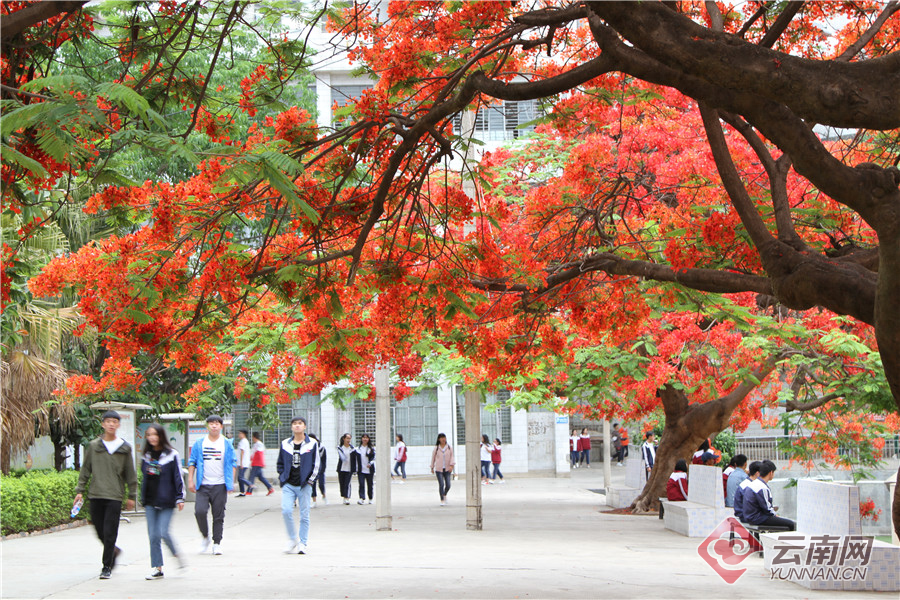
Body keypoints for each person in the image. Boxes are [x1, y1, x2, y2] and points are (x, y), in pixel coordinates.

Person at [74, 410, 137, 580]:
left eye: (114, 421)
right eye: (108, 421)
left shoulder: (124, 448)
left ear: (118, 425)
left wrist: (132, 495)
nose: (111, 424)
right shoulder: (95, 446)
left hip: (115, 496)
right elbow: (86, 469)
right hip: (95, 494)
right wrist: (79, 491)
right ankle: (114, 550)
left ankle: (106, 565)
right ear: (102, 424)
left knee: (110, 532)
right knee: (99, 530)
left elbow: (130, 474)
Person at [140, 423, 185, 580]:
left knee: (163, 532)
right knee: (153, 535)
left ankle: (176, 554)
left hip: (167, 500)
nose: (152, 437)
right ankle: (157, 568)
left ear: (161, 436)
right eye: (149, 435)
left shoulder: (172, 454)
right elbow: (144, 478)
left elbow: (178, 476)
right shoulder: (146, 456)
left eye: (155, 434)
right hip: (150, 501)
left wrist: (180, 497)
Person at [187, 414, 236, 555]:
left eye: (217, 423)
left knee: (218, 515)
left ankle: (217, 543)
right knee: (200, 512)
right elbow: (192, 462)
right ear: (207, 425)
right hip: (203, 484)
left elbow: (233, 463)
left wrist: (230, 482)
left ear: (221, 426)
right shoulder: (199, 443)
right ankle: (205, 537)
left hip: (220, 484)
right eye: (211, 423)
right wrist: (191, 479)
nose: (214, 425)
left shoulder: (226, 443)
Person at [277, 416, 321, 554]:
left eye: (300, 423)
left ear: (305, 426)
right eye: (294, 424)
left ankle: (303, 543)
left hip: (304, 485)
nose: (297, 426)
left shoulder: (312, 443)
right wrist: (282, 478)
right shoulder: (285, 444)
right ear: (291, 427)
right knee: (286, 510)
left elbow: (317, 464)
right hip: (289, 484)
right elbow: (280, 463)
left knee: (304, 515)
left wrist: (310, 481)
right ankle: (292, 540)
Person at [741, 460, 795, 530]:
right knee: (790, 524)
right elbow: (767, 508)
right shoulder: (762, 487)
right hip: (757, 518)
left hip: (750, 516)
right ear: (771, 472)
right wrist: (775, 515)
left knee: (779, 520)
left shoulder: (754, 483)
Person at [430, 433, 455, 505]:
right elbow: (433, 458)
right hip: (439, 469)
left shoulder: (449, 447)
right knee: (441, 484)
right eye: (441, 438)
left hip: (447, 469)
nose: (443, 439)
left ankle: (444, 494)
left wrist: (451, 465)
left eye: (444, 437)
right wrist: (432, 467)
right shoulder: (436, 448)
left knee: (448, 485)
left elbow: (452, 457)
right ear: (439, 439)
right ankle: (442, 500)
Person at [352, 433, 375, 504]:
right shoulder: (358, 449)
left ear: (368, 439)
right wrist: (355, 469)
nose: (365, 439)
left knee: (370, 485)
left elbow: (374, 458)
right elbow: (356, 460)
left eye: (366, 438)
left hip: (369, 470)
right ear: (361, 439)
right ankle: (361, 498)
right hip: (361, 470)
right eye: (364, 437)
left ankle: (370, 498)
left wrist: (370, 463)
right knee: (361, 484)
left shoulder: (371, 449)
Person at [308, 433, 327, 507]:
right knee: (313, 484)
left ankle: (324, 495)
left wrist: (323, 469)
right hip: (312, 469)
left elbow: (324, 460)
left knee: (321, 484)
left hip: (320, 468)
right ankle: (314, 501)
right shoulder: (308, 447)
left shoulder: (321, 447)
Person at [336, 433, 355, 505]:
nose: (348, 440)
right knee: (342, 484)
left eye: (349, 438)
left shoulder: (352, 448)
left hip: (349, 469)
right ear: (344, 439)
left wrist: (355, 469)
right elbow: (342, 458)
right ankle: (344, 496)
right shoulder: (340, 448)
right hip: (341, 469)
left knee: (347, 483)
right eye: (347, 438)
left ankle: (347, 498)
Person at [236, 429, 253, 496]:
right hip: (242, 462)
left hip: (243, 463)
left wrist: (241, 463)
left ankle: (250, 484)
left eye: (240, 433)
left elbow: (242, 452)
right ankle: (242, 492)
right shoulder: (244, 441)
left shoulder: (243, 441)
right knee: (240, 478)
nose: (239, 435)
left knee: (240, 477)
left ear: (243, 434)